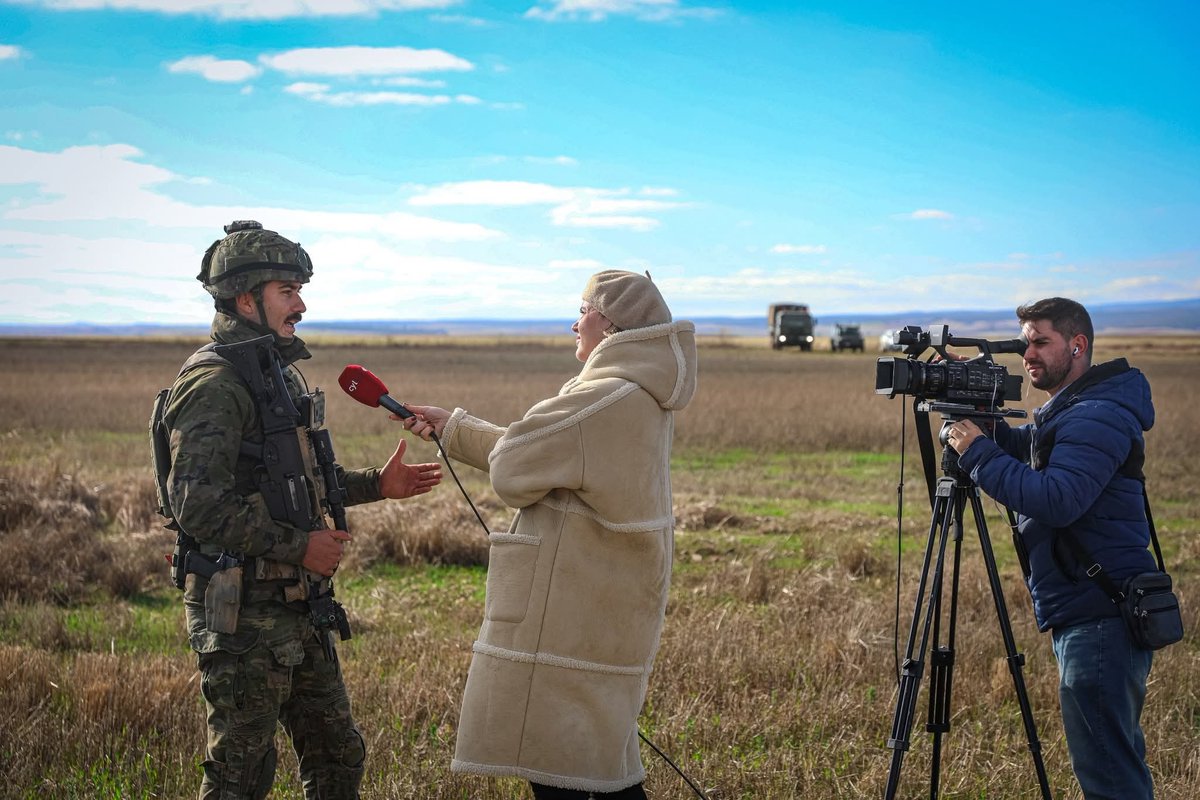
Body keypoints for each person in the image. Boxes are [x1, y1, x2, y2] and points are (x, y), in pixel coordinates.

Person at [161, 220, 442, 799]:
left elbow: (299, 481)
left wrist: (375, 485)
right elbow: (198, 504)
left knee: (338, 757)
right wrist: (300, 547)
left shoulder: (278, 374)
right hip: (243, 616)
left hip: (301, 605)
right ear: (245, 299)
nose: (302, 305)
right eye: (287, 291)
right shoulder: (214, 384)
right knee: (241, 775)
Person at [399, 270, 697, 799]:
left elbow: (515, 470)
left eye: (582, 310)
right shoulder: (637, 394)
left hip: (570, 612)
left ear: (610, 323)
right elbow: (546, 455)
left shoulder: (601, 397)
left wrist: (462, 430)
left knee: (563, 772)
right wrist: (453, 428)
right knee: (597, 769)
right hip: (604, 602)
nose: (573, 323)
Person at [945, 297, 1157, 799]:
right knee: (1113, 765)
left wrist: (975, 450)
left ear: (1077, 345)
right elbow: (1030, 450)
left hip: (1100, 614)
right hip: (1090, 609)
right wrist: (977, 407)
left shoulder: (1097, 415)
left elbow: (1057, 499)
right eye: (1025, 343)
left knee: (1109, 778)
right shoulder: (1075, 410)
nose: (1028, 353)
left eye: (1040, 341)